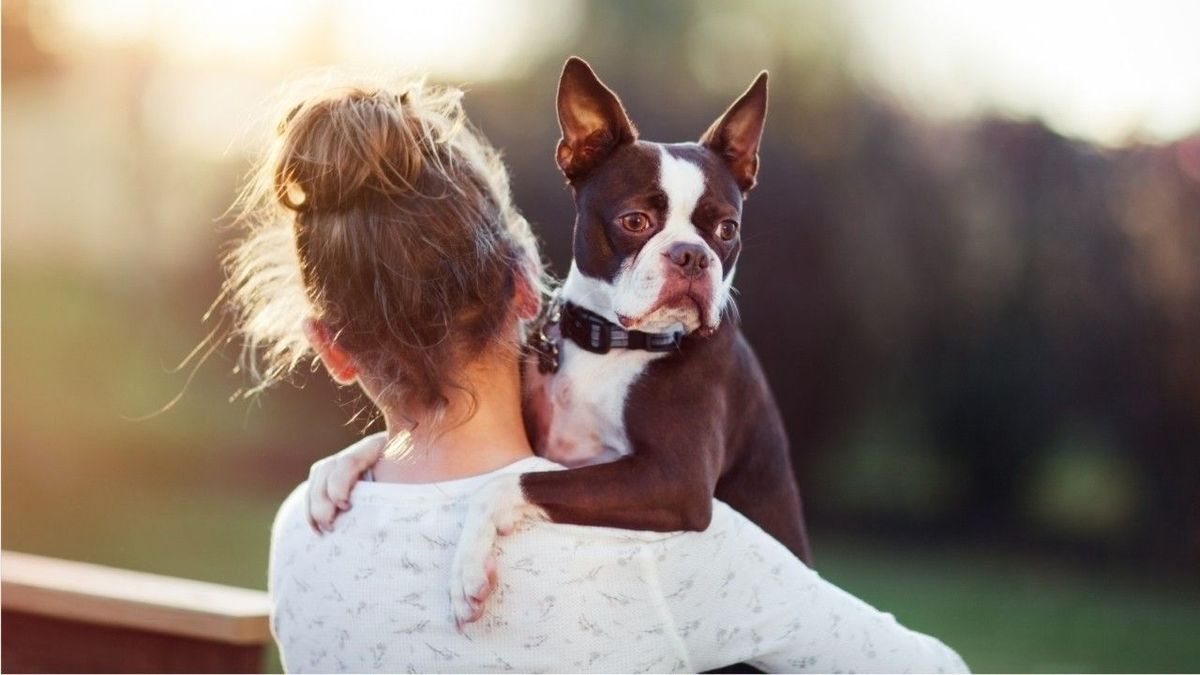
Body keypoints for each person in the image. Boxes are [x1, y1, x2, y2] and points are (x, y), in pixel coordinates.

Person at [226, 76, 969, 673]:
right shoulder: (674, 564)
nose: (686, 254)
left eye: (717, 231)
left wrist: (368, 456)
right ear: (529, 287)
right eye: (642, 225)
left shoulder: (305, 529)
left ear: (331, 346)